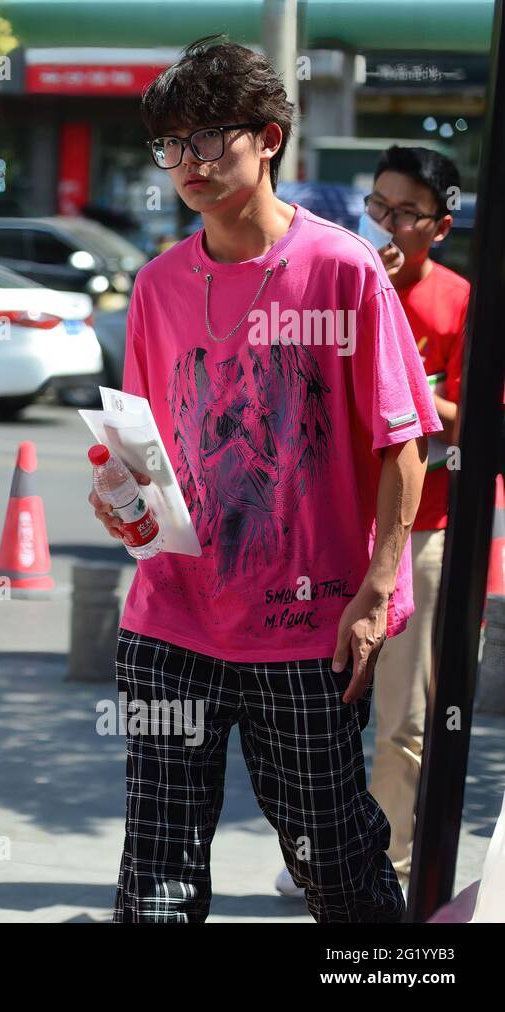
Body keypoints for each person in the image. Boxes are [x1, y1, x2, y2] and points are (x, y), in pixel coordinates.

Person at [90, 36, 439, 923]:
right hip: (169, 623)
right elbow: (145, 444)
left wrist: (375, 589)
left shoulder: (341, 268)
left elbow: (403, 441)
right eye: (172, 145)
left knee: (337, 865)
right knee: (156, 880)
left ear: (269, 138)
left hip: (304, 631)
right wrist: (124, 501)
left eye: (210, 140)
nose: (189, 165)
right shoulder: (161, 283)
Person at [359, 147, 468, 894]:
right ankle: (329, 846)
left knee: (403, 717)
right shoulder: (352, 287)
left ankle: (389, 867)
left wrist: (411, 397)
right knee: (317, 713)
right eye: (378, 207)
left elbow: (472, 426)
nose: (388, 226)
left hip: (423, 534)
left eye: (405, 213)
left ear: (442, 224)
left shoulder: (461, 303)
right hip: (339, 529)